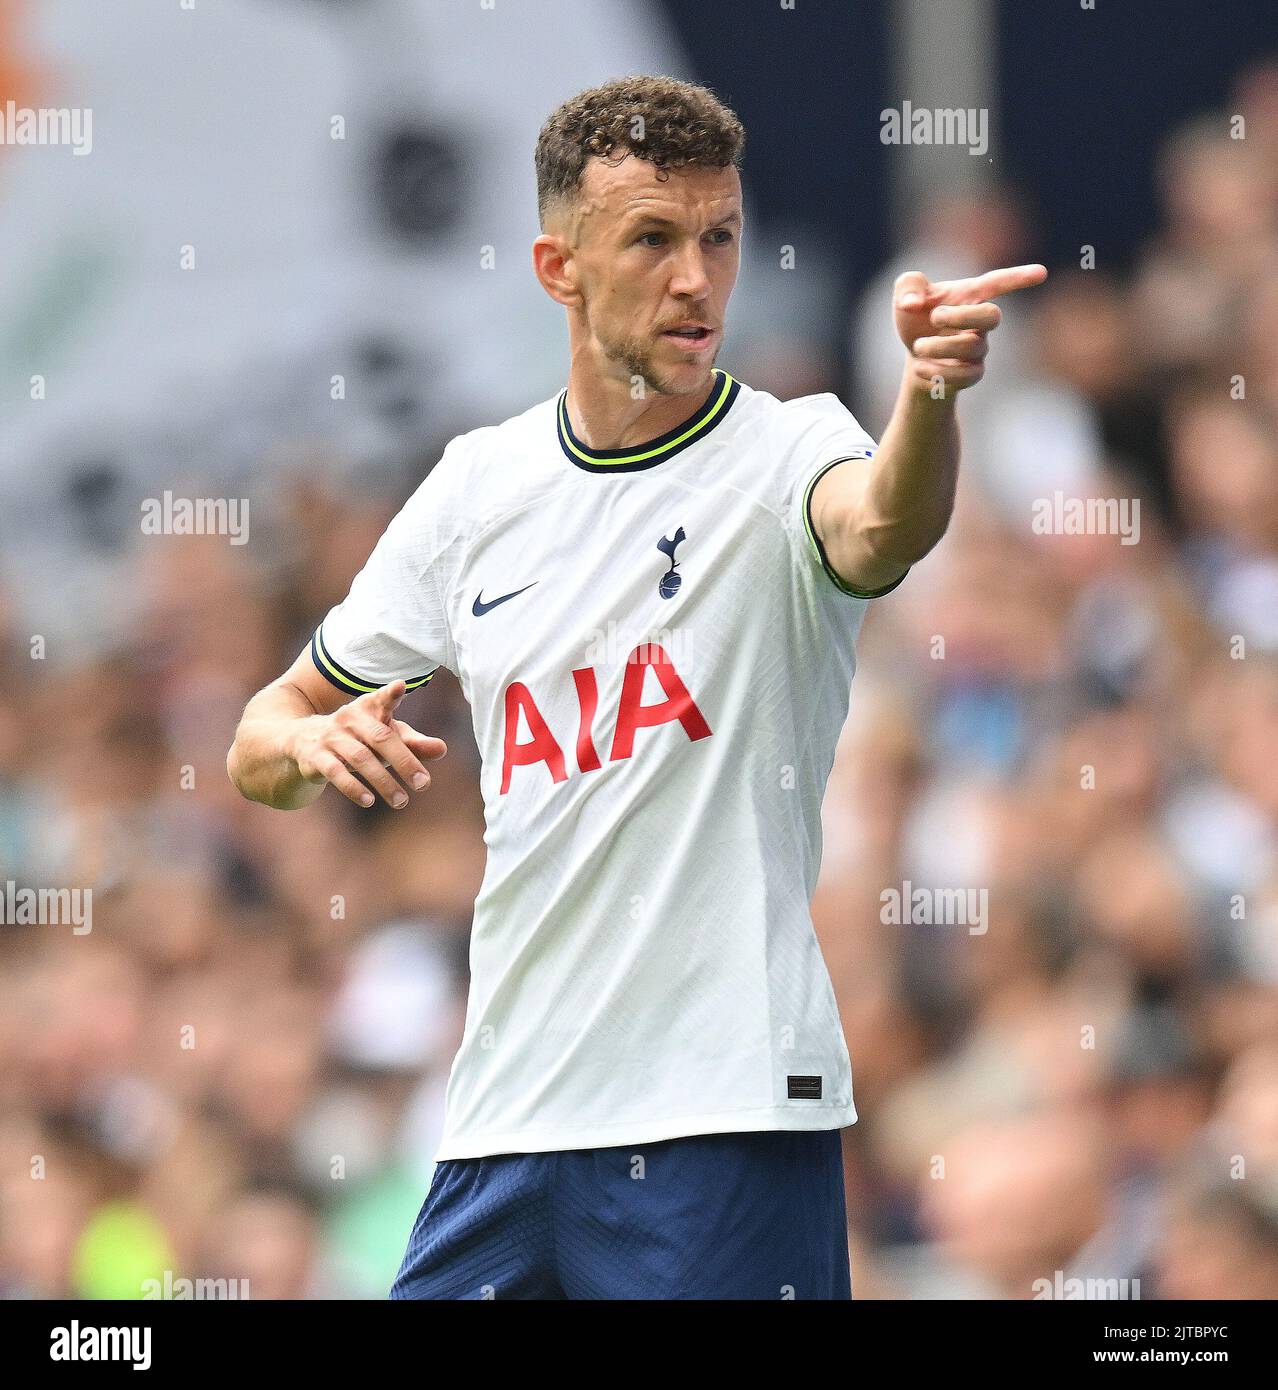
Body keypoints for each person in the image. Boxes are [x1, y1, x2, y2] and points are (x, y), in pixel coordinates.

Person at [227, 75, 1045, 1300]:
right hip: (508, 1123)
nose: (697, 278)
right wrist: (311, 747)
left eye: (719, 238)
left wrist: (927, 395)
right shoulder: (475, 490)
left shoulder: (786, 450)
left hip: (722, 1113)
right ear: (560, 267)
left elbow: (882, 527)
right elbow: (260, 735)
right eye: (653, 240)